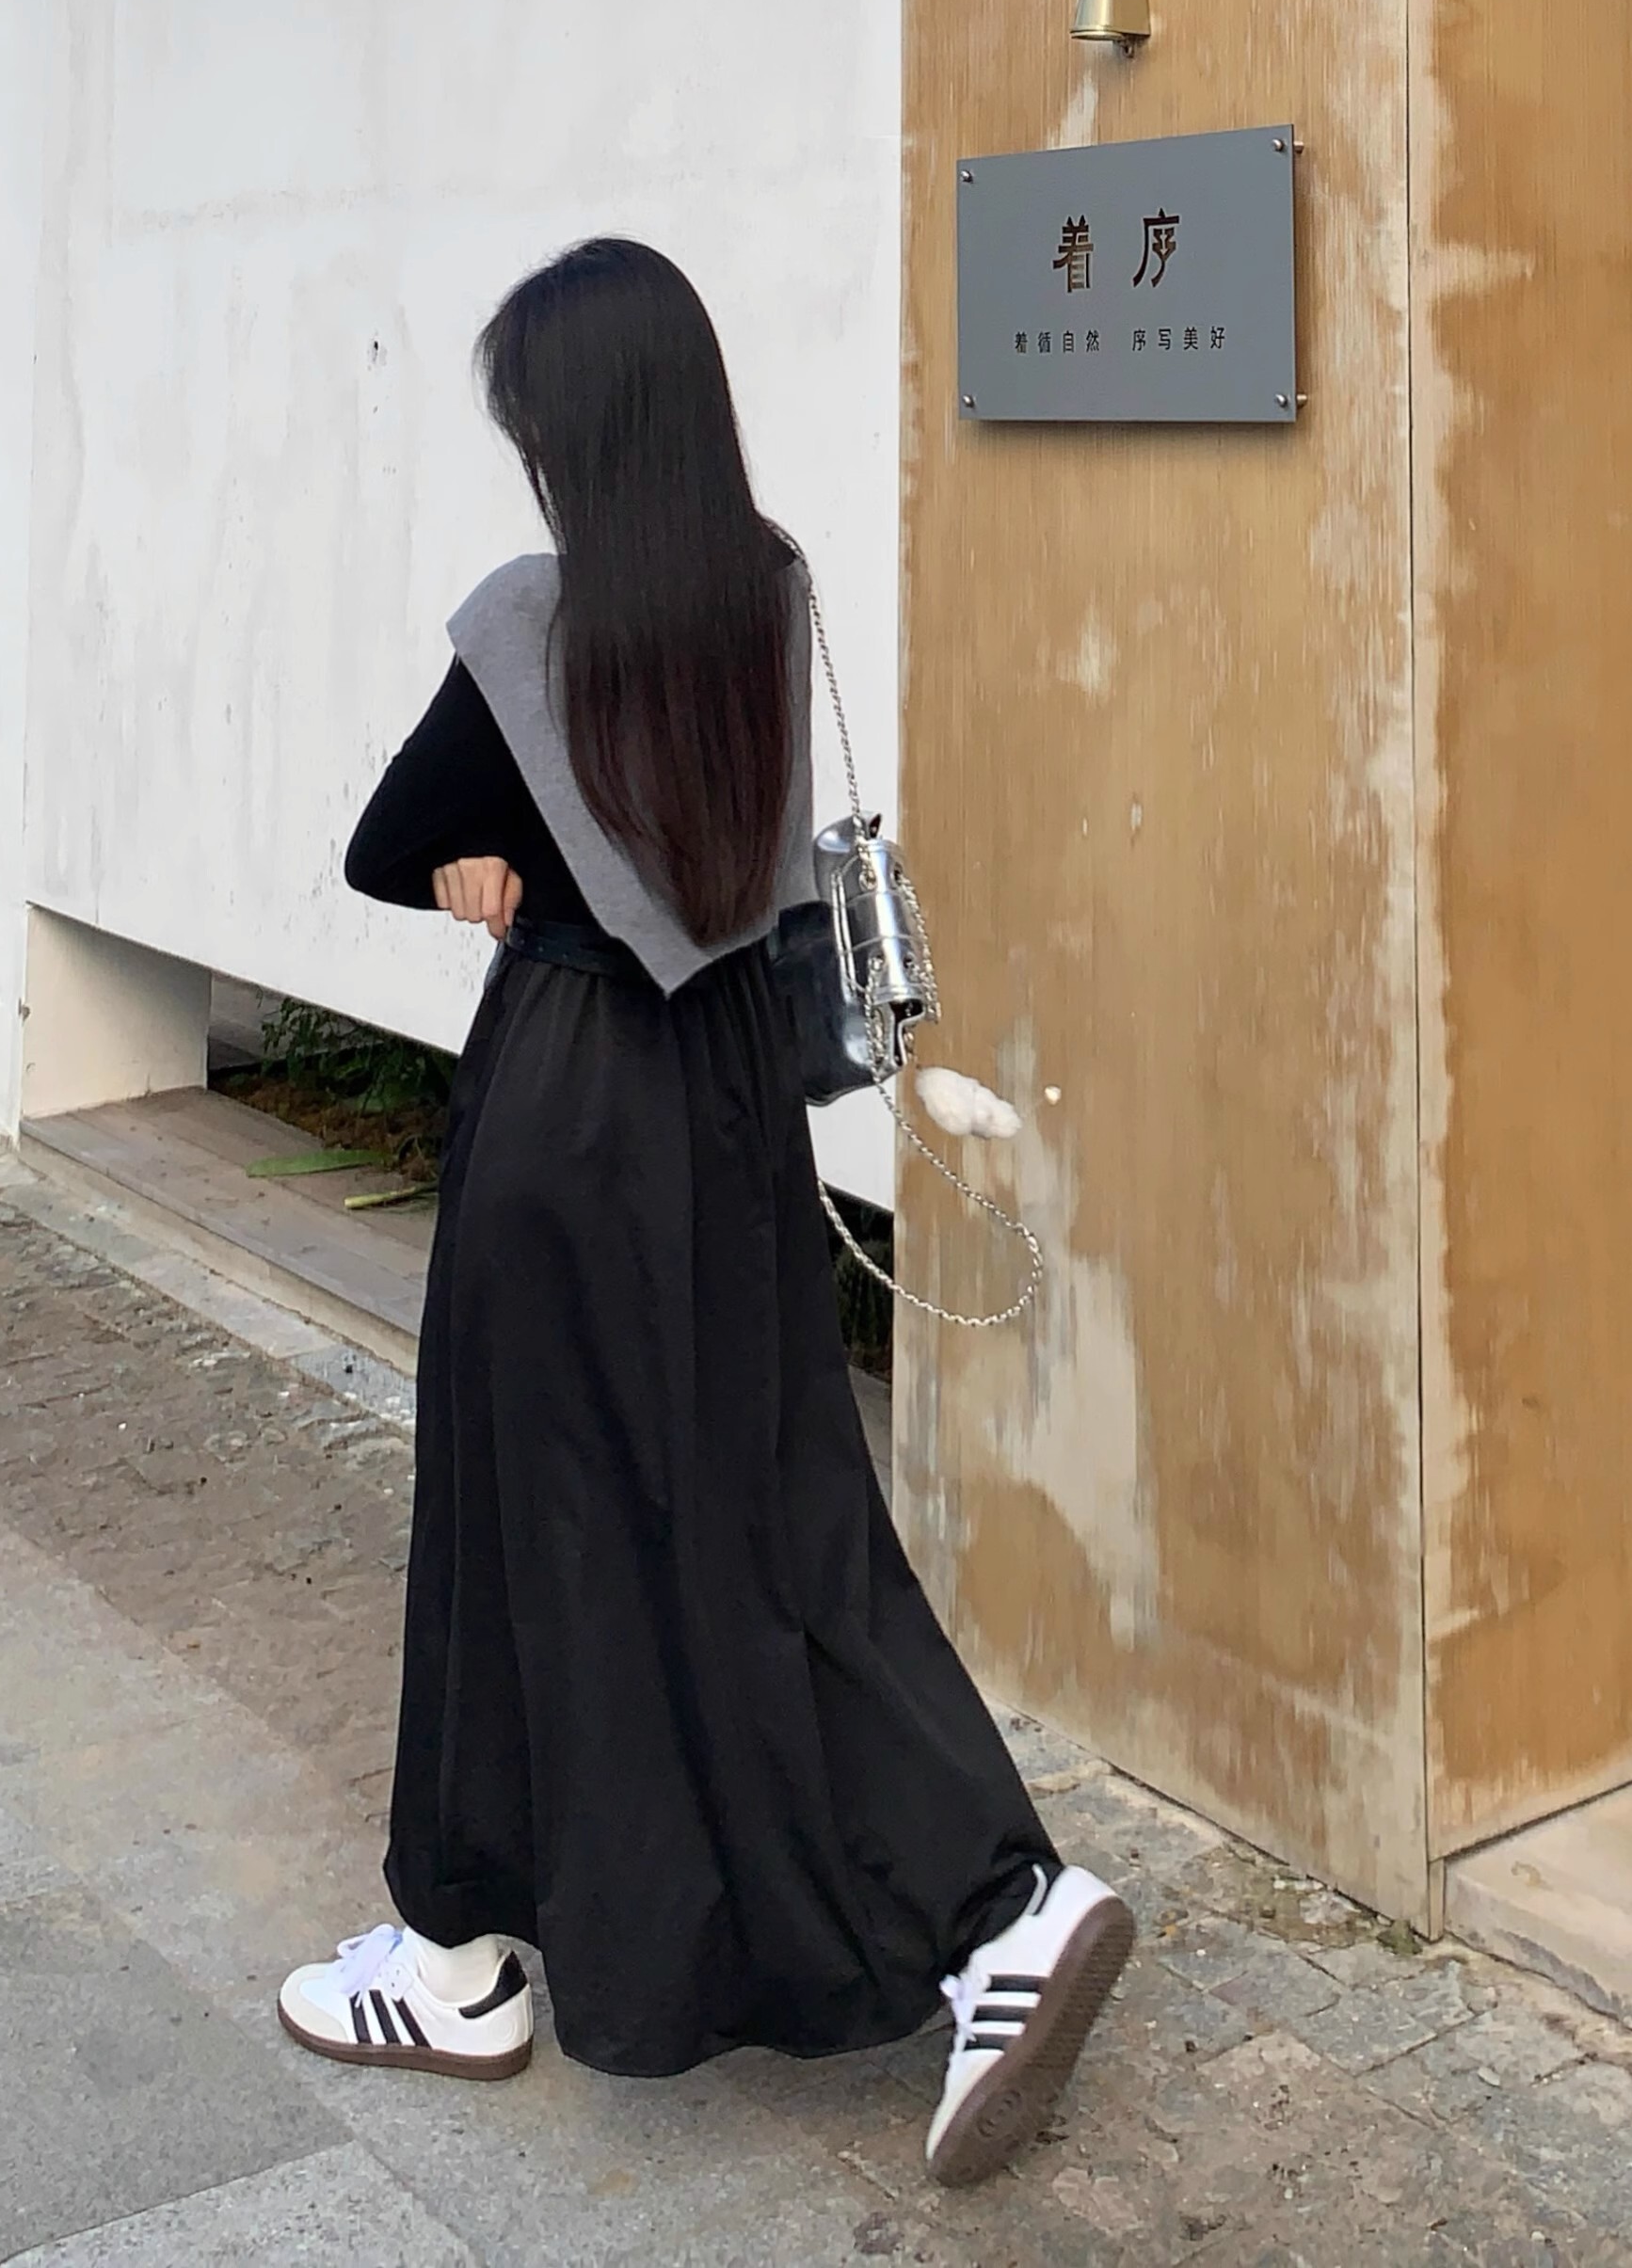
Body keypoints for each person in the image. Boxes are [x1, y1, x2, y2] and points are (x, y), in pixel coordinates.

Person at [276, 238, 1133, 2187]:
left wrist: (478, 863)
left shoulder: (527, 625)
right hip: (734, 1109)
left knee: (526, 1515)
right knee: (771, 1512)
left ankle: (457, 1955)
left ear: (569, 431)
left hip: (571, 1108)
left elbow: (384, 842)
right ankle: (999, 1908)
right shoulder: (766, 589)